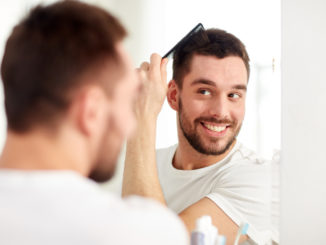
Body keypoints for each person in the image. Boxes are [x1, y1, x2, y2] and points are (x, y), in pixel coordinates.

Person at [0, 1, 188, 245]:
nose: (128, 124)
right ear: (91, 111)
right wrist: (145, 116)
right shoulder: (139, 232)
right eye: (128, 100)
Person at [123, 29, 279, 245]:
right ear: (173, 95)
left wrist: (141, 117)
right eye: (205, 91)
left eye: (234, 95)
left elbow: (153, 241)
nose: (221, 111)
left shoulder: (260, 180)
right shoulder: (146, 164)